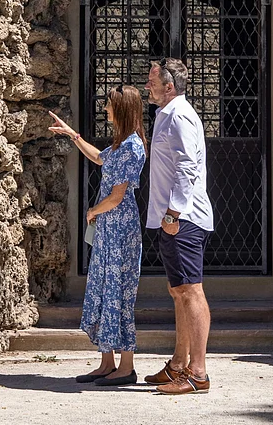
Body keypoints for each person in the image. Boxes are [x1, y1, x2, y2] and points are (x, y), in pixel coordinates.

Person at [49, 86, 147, 384]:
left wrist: (93, 210)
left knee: (119, 290)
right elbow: (99, 158)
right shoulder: (120, 145)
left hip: (119, 227)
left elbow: (117, 196)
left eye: (109, 106)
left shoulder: (132, 146)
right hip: (109, 228)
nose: (105, 110)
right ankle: (107, 362)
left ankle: (126, 367)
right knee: (106, 288)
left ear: (122, 109)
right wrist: (72, 134)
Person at [144, 58, 213, 396]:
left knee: (191, 291)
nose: (147, 86)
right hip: (171, 218)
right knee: (178, 292)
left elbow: (187, 166)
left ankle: (197, 373)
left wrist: (173, 213)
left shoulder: (180, 115)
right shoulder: (167, 115)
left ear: (168, 86)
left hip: (182, 219)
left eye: (151, 80)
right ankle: (178, 365)